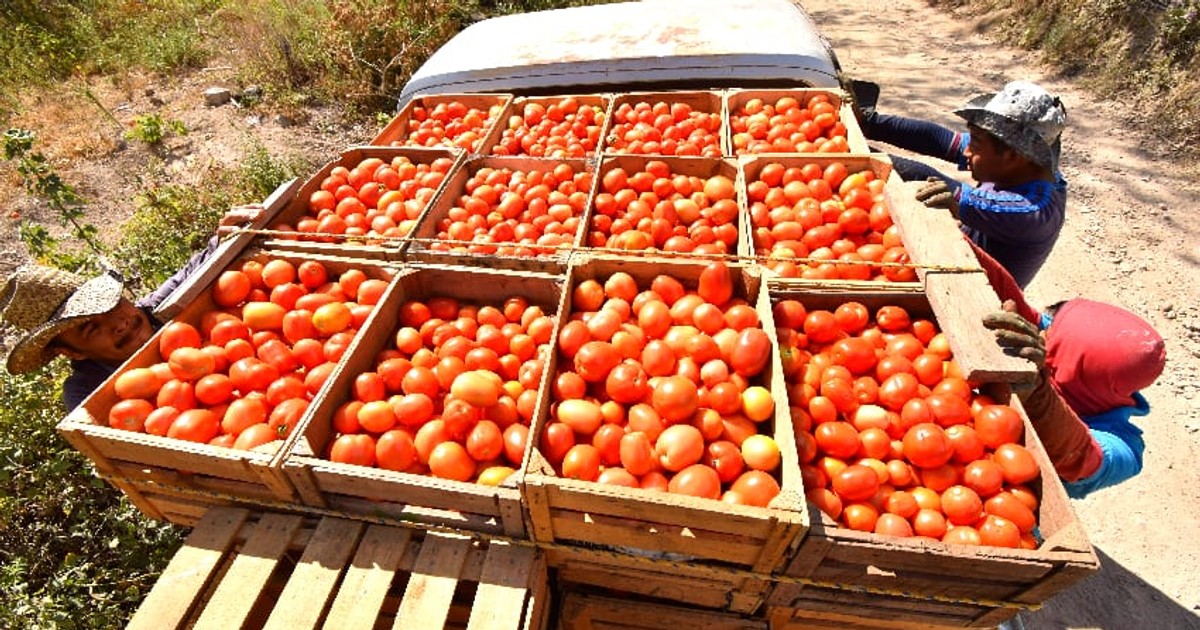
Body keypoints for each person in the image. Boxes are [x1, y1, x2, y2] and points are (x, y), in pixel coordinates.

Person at [0, 204, 265, 410]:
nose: (119, 322)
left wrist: (223, 237)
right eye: (91, 328)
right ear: (71, 352)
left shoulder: (155, 309)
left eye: (113, 303)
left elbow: (194, 270)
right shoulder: (86, 393)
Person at [974, 242, 1166, 499]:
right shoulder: (1062, 343)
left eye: (1049, 338)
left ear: (1069, 366)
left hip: (999, 495)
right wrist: (956, 241)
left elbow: (1081, 457)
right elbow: (1013, 301)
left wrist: (1038, 391)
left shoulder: (1124, 449)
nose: (1042, 333)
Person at [852, 79, 1069, 289]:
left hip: (972, 295)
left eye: (975, 143)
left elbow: (938, 187)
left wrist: (864, 159)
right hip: (954, 260)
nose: (966, 151)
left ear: (1012, 156)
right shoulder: (1019, 166)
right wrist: (869, 123)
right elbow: (937, 139)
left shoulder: (1034, 212)